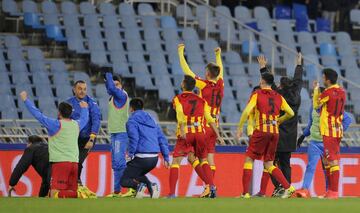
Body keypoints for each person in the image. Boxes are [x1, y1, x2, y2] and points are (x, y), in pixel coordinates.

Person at [236, 72, 296, 199]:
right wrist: (280, 120)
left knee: (249, 159)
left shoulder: (257, 94)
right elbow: (290, 113)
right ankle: (289, 187)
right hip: (274, 132)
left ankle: (245, 193)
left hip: (261, 130)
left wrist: (240, 127)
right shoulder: (279, 96)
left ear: (262, 82)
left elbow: (247, 111)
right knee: (269, 163)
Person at [20, 91, 89, 198]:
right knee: (69, 196)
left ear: (59, 112)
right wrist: (84, 108)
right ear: (70, 113)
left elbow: (38, 115)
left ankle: (80, 193)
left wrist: (25, 100)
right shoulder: (77, 124)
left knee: (53, 194)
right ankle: (78, 193)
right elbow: (85, 118)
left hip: (60, 164)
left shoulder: (55, 124)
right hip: (74, 164)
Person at [168, 75, 225, 198]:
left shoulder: (178, 98)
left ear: (183, 85)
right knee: (201, 159)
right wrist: (218, 135)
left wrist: (182, 127)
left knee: (176, 161)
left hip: (186, 133)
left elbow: (179, 113)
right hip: (200, 133)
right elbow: (210, 119)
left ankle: (172, 193)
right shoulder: (202, 101)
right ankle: (211, 186)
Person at [295, 82, 352, 198]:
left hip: (328, 142)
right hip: (314, 142)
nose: (313, 97)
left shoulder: (330, 106)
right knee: (311, 166)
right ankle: (304, 190)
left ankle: (328, 191)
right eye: (313, 95)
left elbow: (348, 120)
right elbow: (311, 124)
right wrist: (303, 136)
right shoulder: (313, 108)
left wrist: (337, 131)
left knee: (327, 168)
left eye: (315, 95)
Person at [257, 53, 303, 197]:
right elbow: (298, 80)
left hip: (277, 133)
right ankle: (286, 187)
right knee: (286, 162)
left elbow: (270, 85)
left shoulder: (279, 95)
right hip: (291, 135)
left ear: (281, 86)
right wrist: (299, 65)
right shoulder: (296, 93)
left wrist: (263, 68)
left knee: (271, 163)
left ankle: (280, 187)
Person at [178, 44, 224, 180]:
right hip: (215, 125)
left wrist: (180, 53)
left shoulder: (204, 85)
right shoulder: (221, 84)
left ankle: (209, 185)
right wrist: (218, 55)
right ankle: (210, 187)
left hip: (203, 125)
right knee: (210, 158)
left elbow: (187, 72)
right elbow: (221, 72)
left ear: (208, 73)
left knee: (194, 157)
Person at [120, 98, 170, 199]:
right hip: (154, 159)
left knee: (124, 180)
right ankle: (151, 186)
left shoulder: (131, 120)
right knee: (137, 174)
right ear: (143, 108)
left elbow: (134, 138)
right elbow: (161, 138)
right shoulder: (152, 120)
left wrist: (130, 154)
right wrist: (166, 157)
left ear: (131, 109)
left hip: (142, 157)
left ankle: (139, 187)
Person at [313, 69, 347, 199]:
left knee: (332, 161)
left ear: (327, 79)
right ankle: (329, 192)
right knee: (327, 160)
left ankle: (334, 192)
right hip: (337, 129)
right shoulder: (342, 92)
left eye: (323, 77)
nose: (322, 79)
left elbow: (316, 105)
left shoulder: (327, 93)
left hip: (329, 131)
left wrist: (316, 90)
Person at [104, 72, 135, 198]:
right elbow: (109, 88)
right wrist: (107, 80)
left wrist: (108, 75)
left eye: (117, 85)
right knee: (116, 163)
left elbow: (110, 88)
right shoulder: (112, 97)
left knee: (119, 163)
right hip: (115, 133)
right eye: (113, 84)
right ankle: (117, 191)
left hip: (121, 133)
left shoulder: (121, 95)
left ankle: (128, 189)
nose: (114, 87)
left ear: (121, 86)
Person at [67, 80, 101, 196]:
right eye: (80, 88)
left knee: (78, 161)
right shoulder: (68, 103)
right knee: (72, 162)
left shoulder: (92, 103)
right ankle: (75, 185)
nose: (82, 91)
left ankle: (78, 184)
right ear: (74, 89)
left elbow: (96, 121)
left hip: (87, 139)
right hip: (72, 139)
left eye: (84, 89)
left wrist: (92, 139)